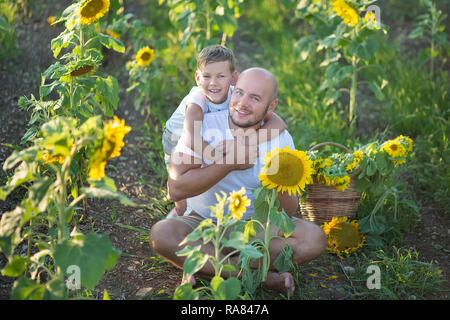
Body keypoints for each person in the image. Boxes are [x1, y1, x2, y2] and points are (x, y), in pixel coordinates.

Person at [151, 68, 327, 296]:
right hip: (204, 223)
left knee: (314, 239)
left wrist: (281, 177)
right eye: (239, 93)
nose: (242, 103)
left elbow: (287, 211)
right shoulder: (205, 125)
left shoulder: (279, 139)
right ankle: (261, 277)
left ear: (271, 107)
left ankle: (207, 266)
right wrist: (229, 163)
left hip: (255, 229)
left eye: (255, 98)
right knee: (162, 235)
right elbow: (175, 189)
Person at [162, 45, 286, 217]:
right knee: (182, 179)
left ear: (233, 78)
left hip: (209, 133)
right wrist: (220, 160)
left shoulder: (237, 94)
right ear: (197, 78)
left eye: (221, 76)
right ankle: (180, 212)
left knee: (208, 171)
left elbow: (279, 123)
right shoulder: (197, 101)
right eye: (207, 76)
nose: (213, 83)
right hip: (177, 136)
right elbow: (191, 138)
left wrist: (245, 142)